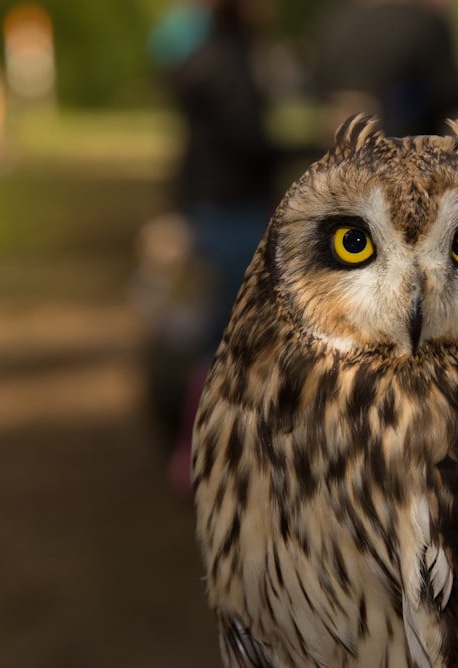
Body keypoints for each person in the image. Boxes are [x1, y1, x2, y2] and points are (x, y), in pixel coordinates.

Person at [147, 0, 278, 491]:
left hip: (206, 206)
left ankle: (195, 453)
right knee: (232, 340)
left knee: (212, 337)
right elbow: (247, 138)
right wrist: (310, 145)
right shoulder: (231, 61)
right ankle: (205, 456)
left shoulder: (202, 55)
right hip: (232, 211)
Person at [312, 0, 458, 138]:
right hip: (405, 151)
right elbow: (451, 97)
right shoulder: (422, 22)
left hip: (340, 155)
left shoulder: (335, 21)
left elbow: (318, 88)